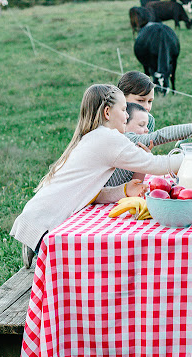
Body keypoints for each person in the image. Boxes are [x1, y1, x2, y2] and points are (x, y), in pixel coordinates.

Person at [11, 84, 183, 269]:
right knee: (76, 275)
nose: (127, 116)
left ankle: (34, 246)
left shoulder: (93, 136)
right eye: (123, 110)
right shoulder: (108, 139)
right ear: (107, 112)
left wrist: (124, 189)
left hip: (40, 217)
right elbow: (157, 165)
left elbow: (91, 192)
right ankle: (35, 246)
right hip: (48, 224)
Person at [104, 102, 192, 188]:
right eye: (141, 125)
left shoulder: (131, 150)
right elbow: (160, 136)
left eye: (146, 126)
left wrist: (145, 156)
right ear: (124, 124)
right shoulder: (127, 137)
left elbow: (136, 183)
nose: (146, 130)